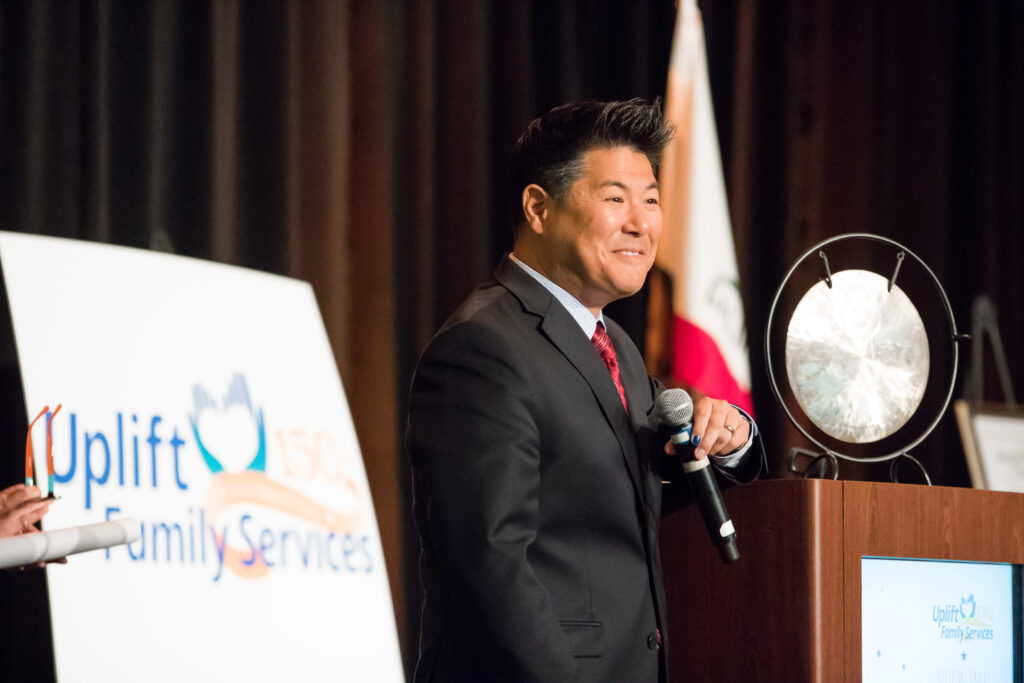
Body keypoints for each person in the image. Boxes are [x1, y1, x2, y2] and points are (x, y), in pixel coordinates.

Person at [407, 99, 762, 682]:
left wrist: (734, 437)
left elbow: (643, 484)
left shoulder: (611, 342)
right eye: (616, 198)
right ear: (539, 209)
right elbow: (490, 569)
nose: (641, 223)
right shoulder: (483, 348)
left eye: (650, 200)